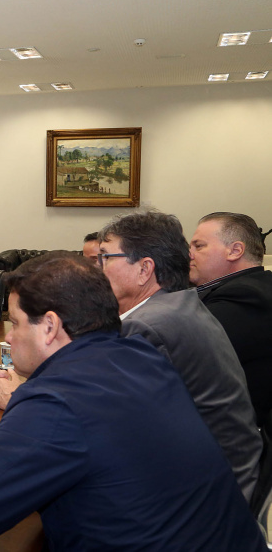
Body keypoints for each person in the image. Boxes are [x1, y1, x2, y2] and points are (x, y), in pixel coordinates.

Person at [0, 253, 264, 551]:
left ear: (49, 327)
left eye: (14, 323)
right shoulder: (141, 356)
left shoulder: (56, 400)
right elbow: (96, 438)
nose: (10, 337)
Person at [98, 211, 261, 500]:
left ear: (144, 269)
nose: (97, 269)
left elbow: (108, 422)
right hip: (221, 473)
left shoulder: (147, 326)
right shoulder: (178, 305)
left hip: (203, 495)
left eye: (105, 257)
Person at [190, 212, 272, 430]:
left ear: (235, 251)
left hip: (231, 432)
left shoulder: (247, 295)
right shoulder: (246, 285)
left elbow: (184, 349)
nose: (189, 254)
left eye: (199, 246)